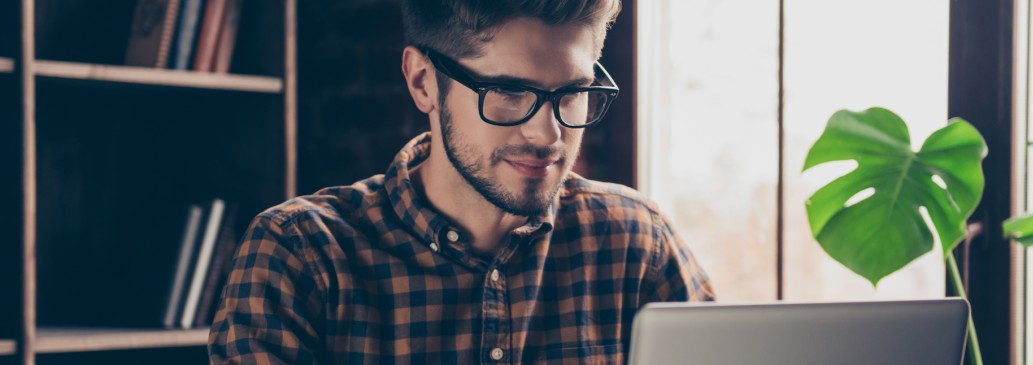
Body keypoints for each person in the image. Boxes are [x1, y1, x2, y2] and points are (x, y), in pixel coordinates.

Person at [207, 1, 714, 363]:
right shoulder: (300, 254)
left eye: (573, 93)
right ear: (423, 82)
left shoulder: (636, 242)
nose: (548, 133)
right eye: (510, 92)